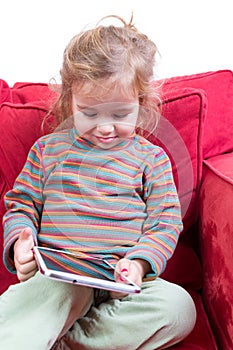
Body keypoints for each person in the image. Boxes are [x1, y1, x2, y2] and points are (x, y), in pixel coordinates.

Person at [0, 15, 196, 350]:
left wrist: (138, 263)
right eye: (89, 113)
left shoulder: (151, 159)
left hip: (123, 280)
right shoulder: (49, 151)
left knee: (179, 309)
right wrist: (21, 240)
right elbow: (22, 204)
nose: (104, 128)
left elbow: (164, 221)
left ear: (141, 104)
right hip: (59, 276)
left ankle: (67, 342)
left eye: (120, 115)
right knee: (46, 297)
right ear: (70, 102)